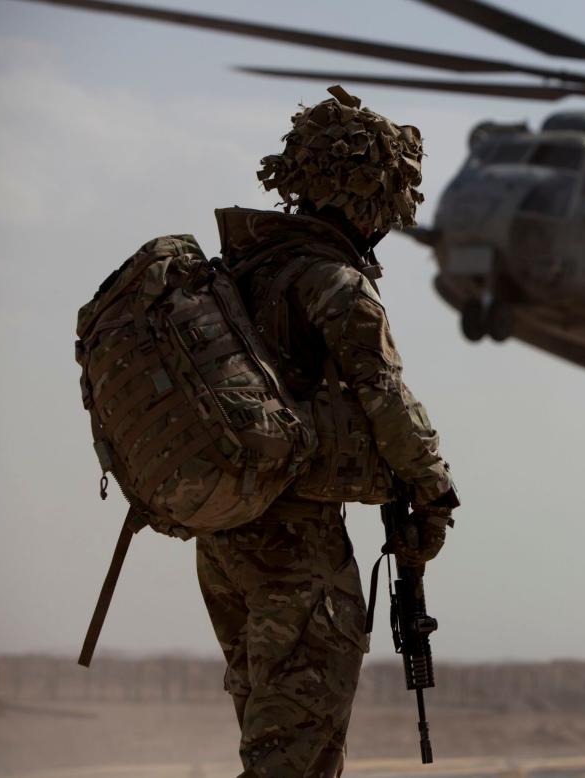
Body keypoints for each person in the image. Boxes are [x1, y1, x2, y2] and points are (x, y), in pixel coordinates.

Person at [196, 86, 458, 778]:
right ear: (373, 198)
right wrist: (433, 492)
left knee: (273, 734)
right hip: (297, 544)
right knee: (295, 754)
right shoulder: (333, 282)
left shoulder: (242, 274)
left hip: (229, 539)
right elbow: (385, 398)